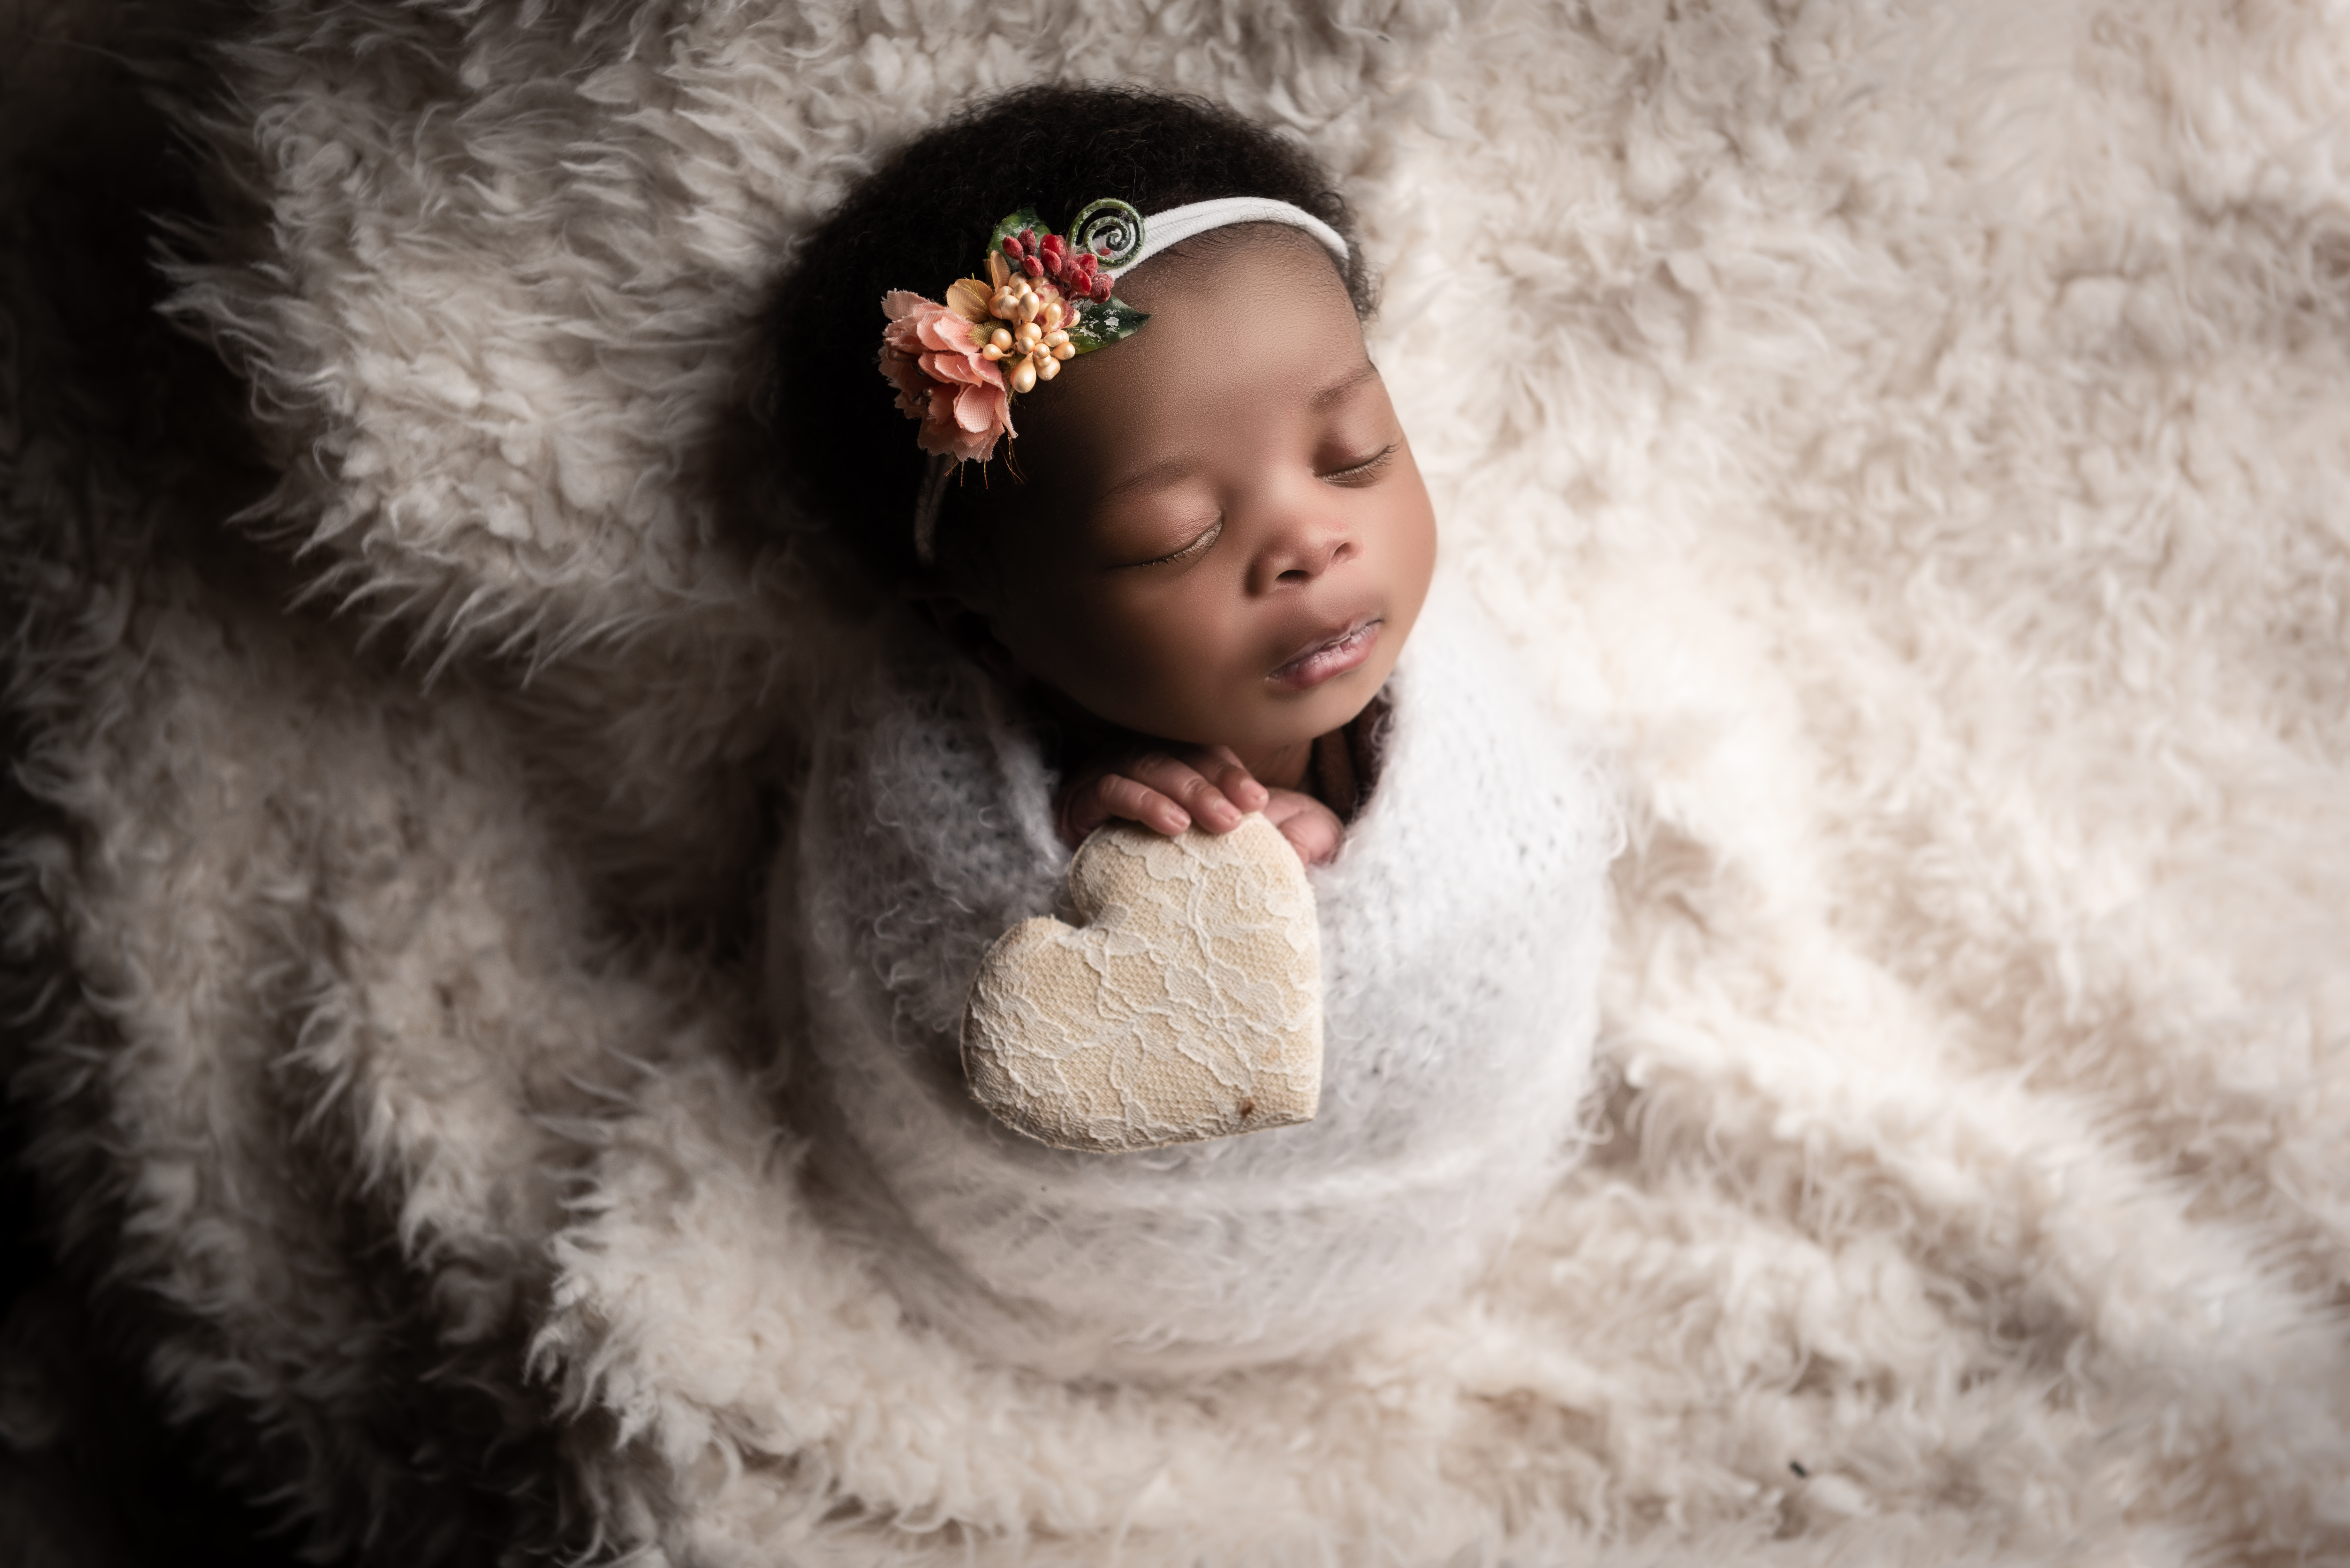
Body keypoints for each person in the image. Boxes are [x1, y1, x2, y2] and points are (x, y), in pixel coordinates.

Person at [760, 83, 1615, 1376]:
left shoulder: (1453, 709)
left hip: (1411, 1211)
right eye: (1178, 535)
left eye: (1354, 451)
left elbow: (1506, 878)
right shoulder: (942, 764)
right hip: (1038, 1265)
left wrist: (1333, 846)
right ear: (991, 637)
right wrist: (1073, 844)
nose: (1310, 543)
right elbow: (933, 939)